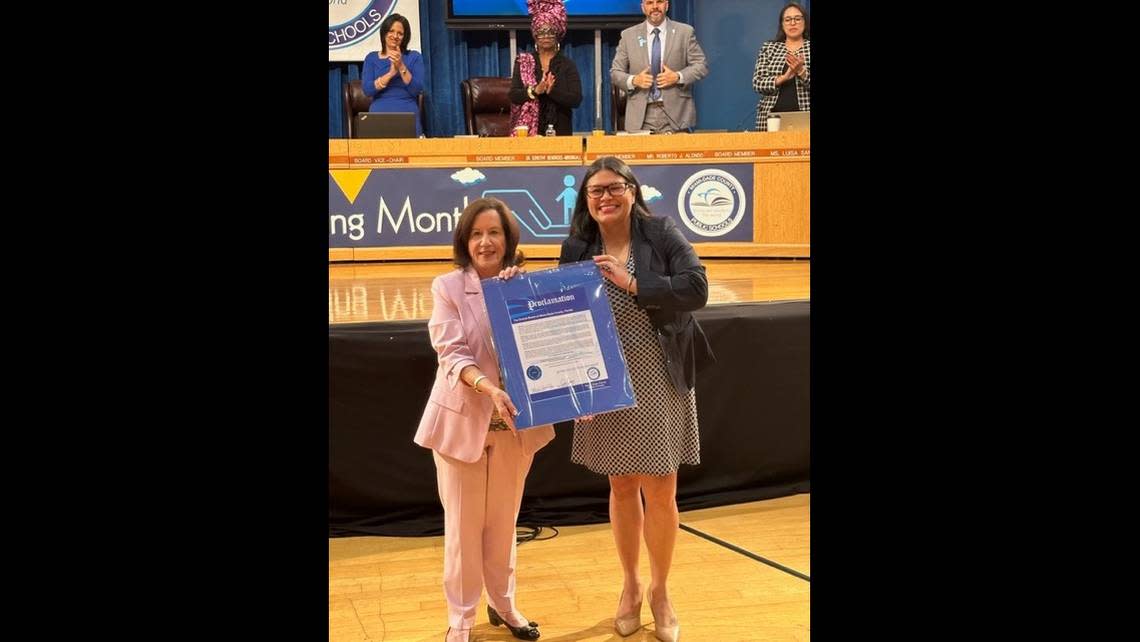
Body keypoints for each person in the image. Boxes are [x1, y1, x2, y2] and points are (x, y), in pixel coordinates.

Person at [558, 157, 714, 642]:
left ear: (632, 190)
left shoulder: (661, 232)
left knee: (661, 490)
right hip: (602, 378)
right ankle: (629, 586)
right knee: (622, 488)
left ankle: (661, 590)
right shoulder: (578, 246)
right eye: (594, 191)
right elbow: (561, 314)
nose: (604, 197)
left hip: (658, 374)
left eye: (613, 188)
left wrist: (632, 282)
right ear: (586, 200)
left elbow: (696, 289)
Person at [414, 197, 556, 642]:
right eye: (476, 233)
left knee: (503, 523)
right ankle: (461, 618)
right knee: (462, 528)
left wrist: (578, 397)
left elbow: (549, 353)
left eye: (494, 232)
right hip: (462, 424)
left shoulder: (526, 287)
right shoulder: (448, 287)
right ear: (464, 240)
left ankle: (505, 604)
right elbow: (451, 352)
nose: (485, 241)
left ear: (509, 239)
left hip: (515, 429)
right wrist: (488, 388)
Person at [611, 0, 708, 133]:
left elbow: (701, 65)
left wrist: (677, 77)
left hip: (677, 116)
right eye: (650, 3)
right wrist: (634, 80)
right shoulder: (628, 36)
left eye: (660, 2)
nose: (655, 7)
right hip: (640, 118)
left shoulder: (684, 32)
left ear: (667, 5)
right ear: (643, 7)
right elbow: (615, 73)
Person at [509, 0, 583, 136]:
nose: (546, 37)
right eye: (541, 33)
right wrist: (536, 90)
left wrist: (551, 92)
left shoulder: (567, 64)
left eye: (550, 32)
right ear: (535, 36)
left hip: (560, 130)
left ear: (557, 35)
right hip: (529, 132)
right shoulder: (524, 61)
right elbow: (514, 95)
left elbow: (576, 99)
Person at [362, 13, 426, 137]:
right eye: (391, 31)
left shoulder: (414, 57)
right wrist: (391, 73)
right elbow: (368, 90)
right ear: (384, 33)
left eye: (400, 33)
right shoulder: (371, 58)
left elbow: (416, 90)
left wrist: (401, 65)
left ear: (405, 37)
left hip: (407, 114)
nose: (395, 36)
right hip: (378, 115)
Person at [752, 2, 810, 132]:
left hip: (806, 118)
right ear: (782, 24)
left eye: (797, 18)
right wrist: (783, 78)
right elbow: (757, 83)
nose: (792, 23)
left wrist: (802, 72)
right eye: (788, 19)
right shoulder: (769, 48)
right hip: (772, 119)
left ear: (805, 22)